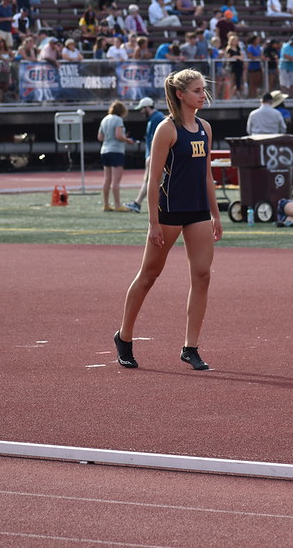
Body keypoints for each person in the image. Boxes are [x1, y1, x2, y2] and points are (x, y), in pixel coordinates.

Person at [114, 68, 222, 371]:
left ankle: (191, 347)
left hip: (198, 211)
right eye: (197, 90)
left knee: (202, 275)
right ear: (180, 94)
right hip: (170, 211)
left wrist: (216, 214)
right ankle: (124, 337)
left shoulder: (205, 128)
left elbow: (206, 175)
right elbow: (152, 180)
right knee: (149, 275)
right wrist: (153, 221)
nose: (203, 95)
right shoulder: (167, 129)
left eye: (203, 89)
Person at [124, 97, 165, 214]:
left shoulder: (156, 118)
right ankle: (138, 203)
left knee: (154, 181)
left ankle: (145, 204)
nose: (141, 112)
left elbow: (156, 140)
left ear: (147, 107)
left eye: (142, 109)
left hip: (154, 155)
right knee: (150, 180)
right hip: (153, 155)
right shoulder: (155, 118)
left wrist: (152, 155)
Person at [98, 100, 136, 211]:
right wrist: (127, 140)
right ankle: (117, 205)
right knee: (116, 180)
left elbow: (100, 137)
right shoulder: (118, 120)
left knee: (107, 179)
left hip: (104, 150)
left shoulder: (104, 119)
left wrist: (109, 139)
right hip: (116, 151)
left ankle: (106, 204)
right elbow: (118, 135)